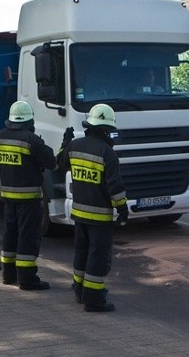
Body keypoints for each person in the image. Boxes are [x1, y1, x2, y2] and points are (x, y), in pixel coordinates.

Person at [56, 103, 129, 312]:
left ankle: (79, 292)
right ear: (106, 130)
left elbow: (60, 162)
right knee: (97, 257)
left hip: (78, 214)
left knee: (81, 253)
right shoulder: (108, 154)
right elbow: (115, 188)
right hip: (99, 218)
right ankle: (94, 300)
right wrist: (122, 209)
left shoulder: (75, 146)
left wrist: (65, 141)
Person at [0, 101, 56, 290]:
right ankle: (27, 279)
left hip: (8, 195)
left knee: (10, 233)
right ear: (29, 120)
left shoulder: (0, 136)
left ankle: (8, 274)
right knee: (27, 237)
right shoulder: (31, 140)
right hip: (28, 198)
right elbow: (51, 162)